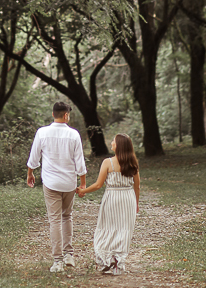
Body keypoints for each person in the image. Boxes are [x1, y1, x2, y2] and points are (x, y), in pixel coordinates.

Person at [26, 101, 87, 273]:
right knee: (67, 216)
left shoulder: (42, 132)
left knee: (54, 220)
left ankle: (57, 261)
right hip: (69, 183)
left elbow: (34, 157)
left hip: (51, 183)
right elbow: (80, 161)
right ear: (66, 115)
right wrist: (82, 183)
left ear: (53, 114)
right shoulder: (74, 134)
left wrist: (30, 173)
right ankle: (69, 255)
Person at [77, 132, 140, 275]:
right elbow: (137, 186)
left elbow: (98, 185)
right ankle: (117, 262)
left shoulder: (108, 162)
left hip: (112, 198)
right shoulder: (133, 163)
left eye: (114, 141)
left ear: (119, 146)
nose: (111, 143)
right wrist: (136, 203)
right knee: (124, 230)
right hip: (128, 199)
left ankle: (107, 259)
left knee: (106, 228)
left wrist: (82, 190)